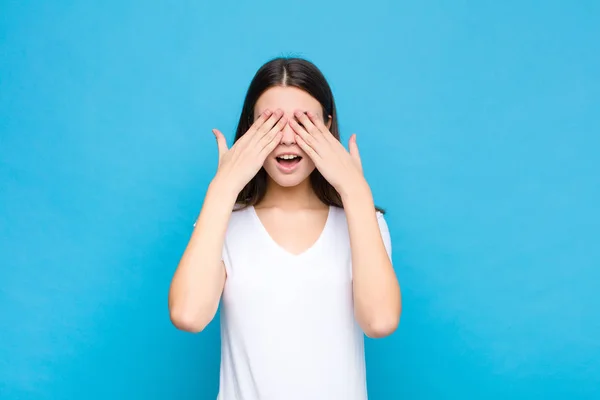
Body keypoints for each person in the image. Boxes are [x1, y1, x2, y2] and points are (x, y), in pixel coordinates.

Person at [168, 57, 402, 400]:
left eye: (304, 123)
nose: (288, 139)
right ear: (250, 128)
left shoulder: (363, 222)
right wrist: (221, 191)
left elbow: (379, 322)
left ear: (327, 125)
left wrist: (355, 191)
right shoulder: (222, 223)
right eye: (271, 123)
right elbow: (188, 315)